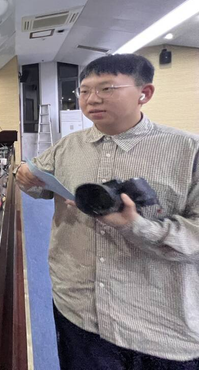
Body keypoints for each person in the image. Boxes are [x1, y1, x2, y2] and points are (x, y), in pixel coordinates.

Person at [16, 54, 199, 369]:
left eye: (106, 88)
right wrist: (25, 178)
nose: (92, 99)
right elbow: (40, 184)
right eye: (84, 91)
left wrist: (137, 226)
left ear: (144, 93)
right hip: (78, 309)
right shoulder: (67, 146)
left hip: (159, 325)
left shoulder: (187, 151)